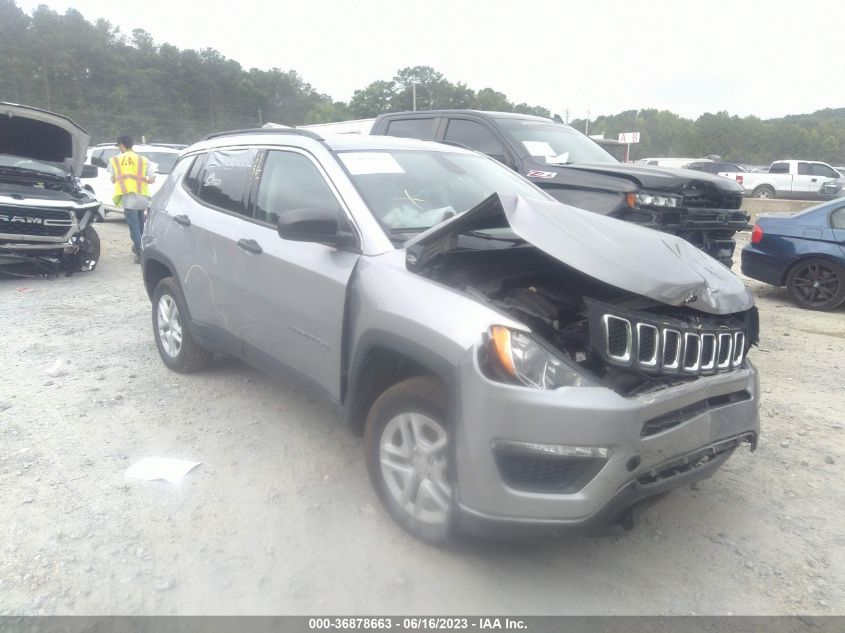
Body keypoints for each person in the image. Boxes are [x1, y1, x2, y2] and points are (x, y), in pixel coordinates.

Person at [108, 135, 156, 263]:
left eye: (118, 146)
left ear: (122, 145)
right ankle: (140, 246)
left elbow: (113, 180)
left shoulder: (115, 160)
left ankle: (140, 252)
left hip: (129, 199)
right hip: (142, 197)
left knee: (134, 226)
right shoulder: (143, 160)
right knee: (141, 224)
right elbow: (151, 179)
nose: (119, 148)